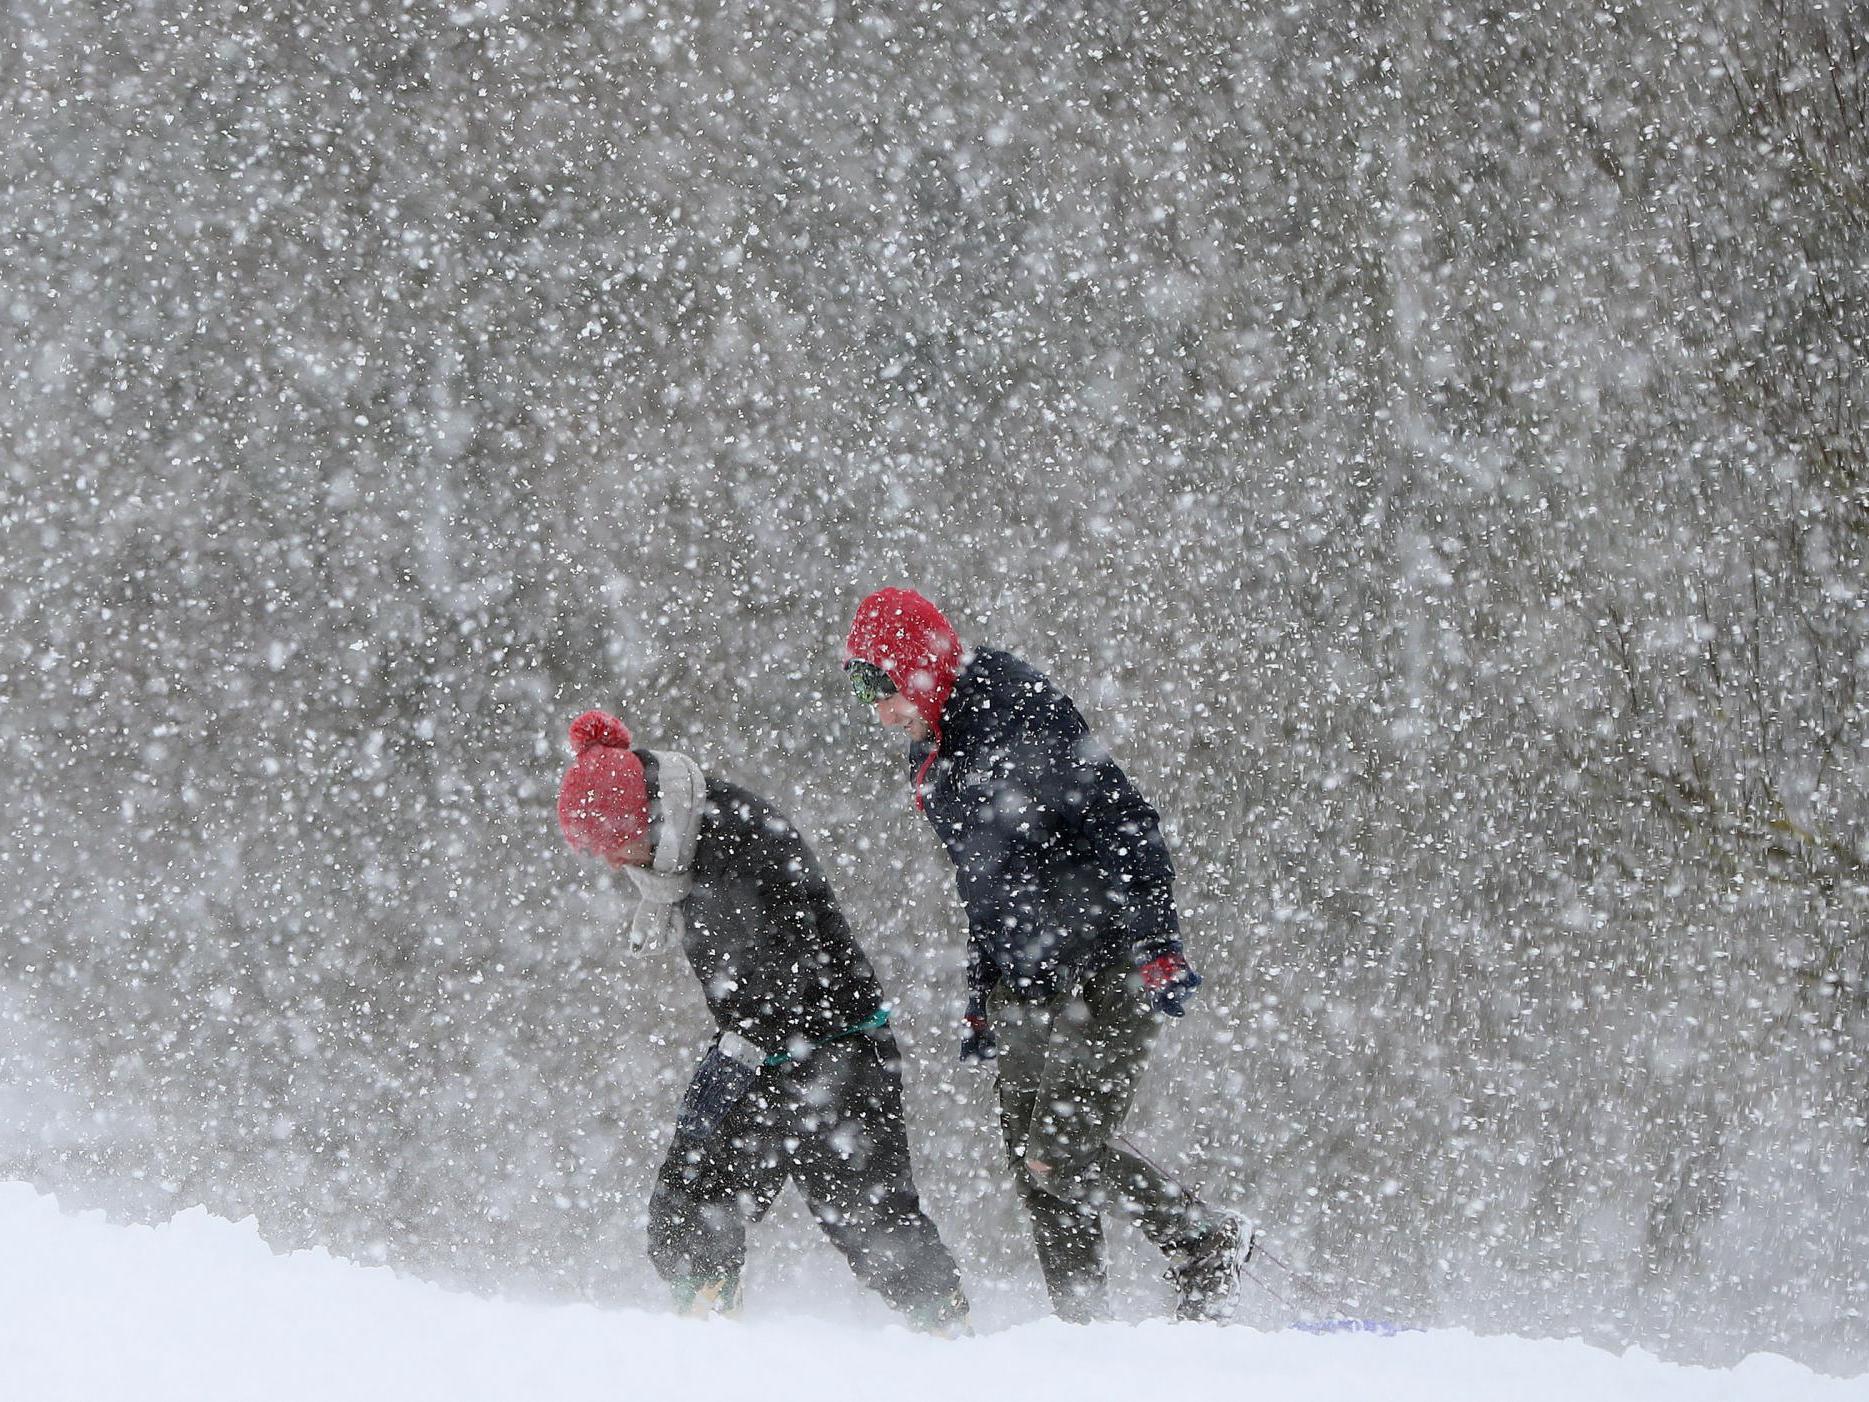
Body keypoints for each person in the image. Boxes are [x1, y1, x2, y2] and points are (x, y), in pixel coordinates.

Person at [841, 586, 1252, 1324]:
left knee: (1057, 1154)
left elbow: (1126, 821)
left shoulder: (1018, 706)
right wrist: (981, 990)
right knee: (1038, 1178)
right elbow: (984, 886)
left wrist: (1157, 942)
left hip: (1103, 964)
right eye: (863, 690)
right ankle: (1079, 1331)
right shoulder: (930, 762)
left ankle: (1205, 1240)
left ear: (919, 669)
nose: (879, 710)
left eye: (885, 685)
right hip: (1022, 983)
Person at [557, 708, 969, 1334]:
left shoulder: (735, 845)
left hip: (838, 1048)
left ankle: (951, 1338)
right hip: (764, 1047)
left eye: (610, 844)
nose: (613, 865)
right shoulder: (684, 841)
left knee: (866, 1215)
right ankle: (707, 1327)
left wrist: (733, 1063)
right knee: (689, 1206)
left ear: (641, 817)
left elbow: (779, 981)